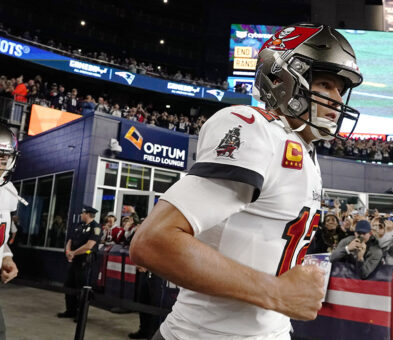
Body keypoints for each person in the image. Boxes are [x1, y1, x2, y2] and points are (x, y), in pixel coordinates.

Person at [130, 23, 364, 340]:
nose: (337, 99)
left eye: (340, 89)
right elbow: (153, 242)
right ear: (282, 79)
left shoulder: (304, 151)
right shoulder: (257, 129)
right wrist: (277, 291)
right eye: (325, 84)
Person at [57, 205, 102, 319]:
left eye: (82, 213)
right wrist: (68, 251)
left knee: (81, 288)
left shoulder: (96, 227)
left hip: (85, 261)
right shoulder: (79, 225)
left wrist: (73, 253)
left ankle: (80, 314)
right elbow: (70, 240)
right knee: (69, 285)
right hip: (74, 260)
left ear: (87, 214)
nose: (81, 215)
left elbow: (89, 246)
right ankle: (70, 310)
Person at [0, 123, 20, 340]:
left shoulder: (7, 191)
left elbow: (0, 239)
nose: (1, 163)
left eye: (4, 157)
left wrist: (6, 257)